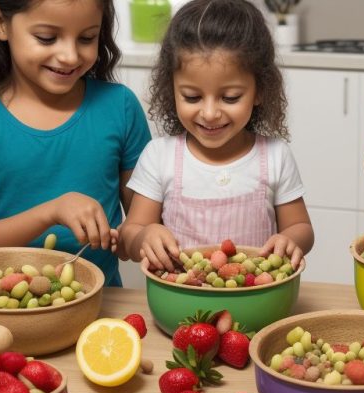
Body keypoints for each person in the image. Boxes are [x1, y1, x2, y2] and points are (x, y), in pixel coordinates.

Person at [0, 0, 151, 287]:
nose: (69, 55)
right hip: (9, 310)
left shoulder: (120, 106)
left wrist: (138, 237)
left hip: (101, 306)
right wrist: (53, 211)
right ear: (1, 23)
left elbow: (140, 226)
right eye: (47, 38)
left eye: (87, 38)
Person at [119, 0, 313, 271]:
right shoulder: (159, 156)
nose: (210, 113)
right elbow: (129, 235)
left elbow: (300, 227)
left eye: (230, 97)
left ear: (259, 90)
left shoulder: (275, 156)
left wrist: (290, 240)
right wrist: (144, 235)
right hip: (181, 305)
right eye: (192, 96)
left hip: (257, 301)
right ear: (170, 88)